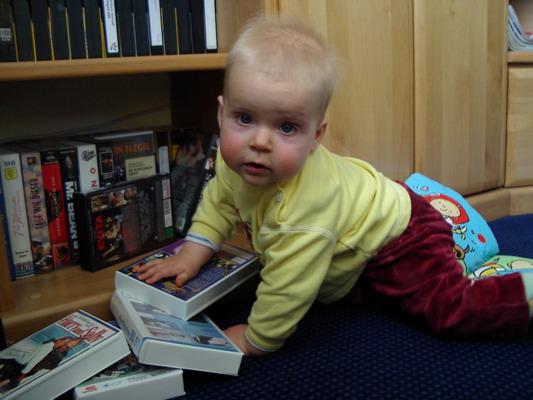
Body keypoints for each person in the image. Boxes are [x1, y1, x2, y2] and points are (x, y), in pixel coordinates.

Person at [136, 15, 533, 356]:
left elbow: (289, 286)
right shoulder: (231, 161)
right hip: (357, 222)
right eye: (244, 118)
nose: (259, 142)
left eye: (286, 126)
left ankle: (523, 294)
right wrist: (192, 254)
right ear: (221, 113)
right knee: (353, 293)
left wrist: (258, 339)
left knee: (445, 309)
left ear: (317, 135)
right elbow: (218, 203)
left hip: (401, 235)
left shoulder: (301, 213)